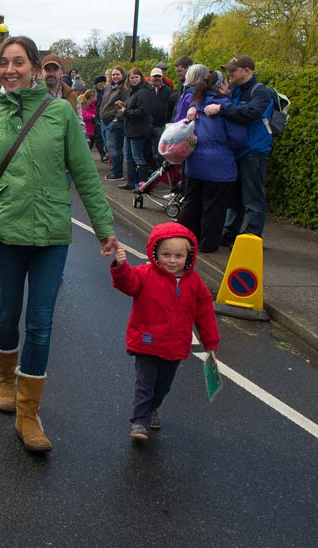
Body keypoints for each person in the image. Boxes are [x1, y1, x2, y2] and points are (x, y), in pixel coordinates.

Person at [0, 36, 117, 452]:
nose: (10, 70)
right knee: (9, 314)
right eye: (3, 64)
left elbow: (85, 174)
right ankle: (5, 380)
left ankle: (29, 414)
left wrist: (105, 229)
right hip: (5, 231)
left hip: (51, 234)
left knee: (41, 322)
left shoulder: (61, 113)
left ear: (33, 66)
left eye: (18, 62)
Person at [111, 223, 220, 440]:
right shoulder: (144, 274)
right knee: (145, 384)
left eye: (178, 255)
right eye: (166, 254)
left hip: (176, 346)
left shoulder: (195, 284)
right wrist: (121, 267)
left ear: (188, 256)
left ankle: (152, 408)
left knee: (163, 386)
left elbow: (205, 315)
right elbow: (128, 285)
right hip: (147, 342)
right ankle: (139, 421)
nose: (172, 260)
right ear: (155, 253)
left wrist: (210, 344)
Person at [206, 55, 273, 244]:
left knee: (252, 196)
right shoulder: (235, 90)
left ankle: (252, 237)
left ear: (247, 71)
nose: (230, 74)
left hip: (253, 150)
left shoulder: (261, 92)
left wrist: (222, 108)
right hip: (236, 149)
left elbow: (250, 113)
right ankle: (230, 232)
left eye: (233, 70)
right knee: (234, 196)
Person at [179, 69, 246, 253]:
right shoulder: (225, 107)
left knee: (192, 203)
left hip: (194, 163)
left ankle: (183, 240)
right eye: (225, 82)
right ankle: (207, 244)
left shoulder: (196, 105)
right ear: (220, 86)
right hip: (219, 166)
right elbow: (238, 139)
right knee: (214, 208)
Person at [120, 67, 156, 189]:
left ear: (141, 78)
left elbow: (143, 112)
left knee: (137, 156)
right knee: (128, 156)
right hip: (129, 129)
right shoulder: (133, 91)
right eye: (131, 77)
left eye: (136, 77)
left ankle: (142, 182)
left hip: (139, 129)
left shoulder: (143, 92)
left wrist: (126, 112)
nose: (134, 80)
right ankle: (130, 182)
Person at [98, 66, 129, 180]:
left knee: (114, 149)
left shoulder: (124, 90)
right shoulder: (110, 88)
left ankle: (117, 173)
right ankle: (114, 170)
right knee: (109, 149)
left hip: (113, 123)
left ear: (123, 75)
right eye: (113, 74)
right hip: (104, 122)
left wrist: (116, 119)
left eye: (117, 74)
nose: (115, 76)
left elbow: (124, 106)